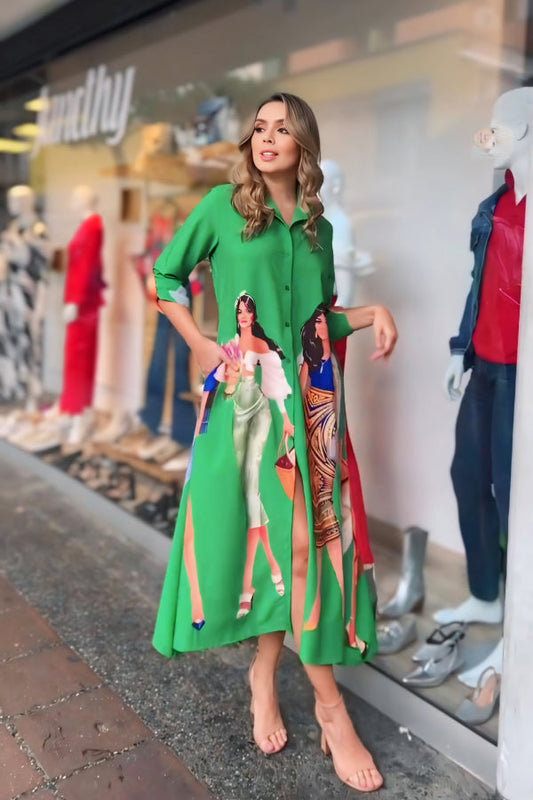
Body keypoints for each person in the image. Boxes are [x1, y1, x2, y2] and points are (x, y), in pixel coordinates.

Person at [152, 92, 397, 792]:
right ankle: (331, 710)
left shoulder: (318, 229)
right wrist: (200, 342)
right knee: (292, 544)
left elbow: (317, 323)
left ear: (303, 146)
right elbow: (166, 276)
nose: (266, 138)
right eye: (258, 127)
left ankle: (263, 672)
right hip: (249, 407)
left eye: (281, 129)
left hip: (312, 407)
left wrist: (371, 312)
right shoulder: (222, 208)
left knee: (297, 550)